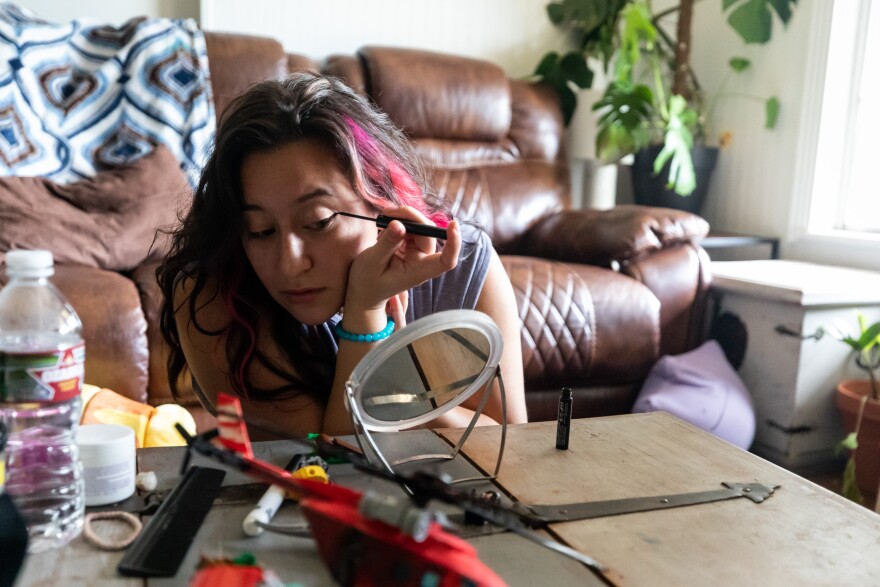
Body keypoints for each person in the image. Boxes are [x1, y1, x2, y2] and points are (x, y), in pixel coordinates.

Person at [157, 72, 527, 439]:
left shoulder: (464, 266)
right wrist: (366, 314)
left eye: (318, 223)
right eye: (261, 231)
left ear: (381, 203)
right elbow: (335, 458)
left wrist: (402, 391)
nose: (290, 264)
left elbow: (514, 447)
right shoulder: (213, 296)